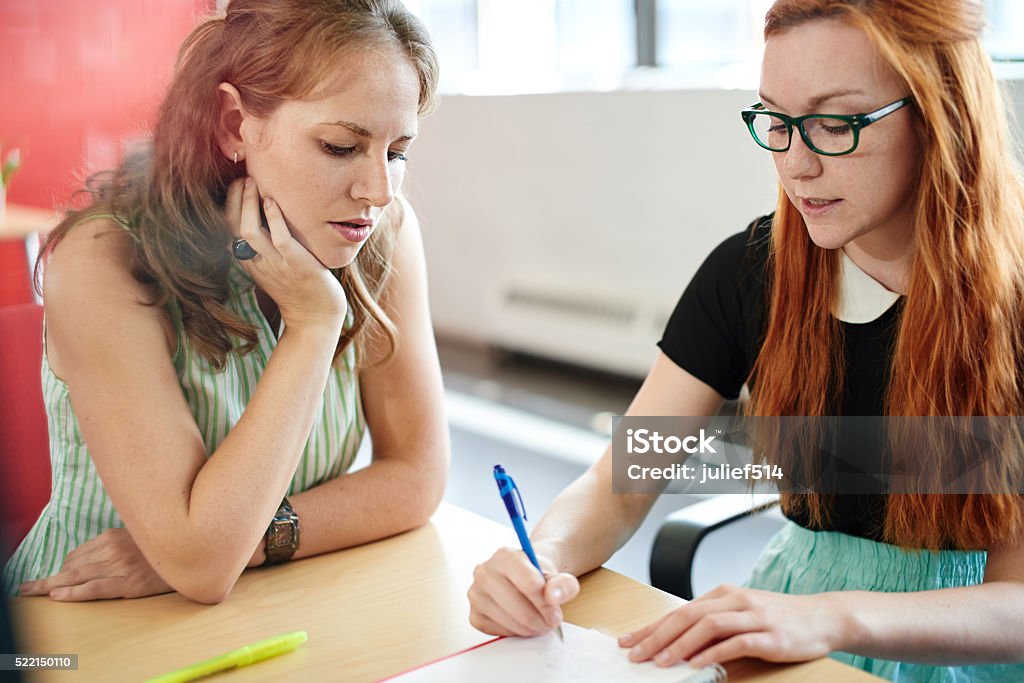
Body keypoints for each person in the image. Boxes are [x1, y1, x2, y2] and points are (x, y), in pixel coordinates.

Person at [467, 0, 1024, 680]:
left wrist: (833, 615)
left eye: (832, 122)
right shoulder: (751, 270)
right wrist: (540, 559)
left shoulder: (1011, 300)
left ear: (940, 113)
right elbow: (620, 481)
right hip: (794, 625)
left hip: (953, 642)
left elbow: (1016, 601)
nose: (796, 164)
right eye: (777, 121)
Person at [3, 0, 449, 604]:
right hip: (82, 624)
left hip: (275, 603)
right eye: (342, 146)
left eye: (397, 152)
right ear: (234, 124)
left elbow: (417, 478)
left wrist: (257, 539)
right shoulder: (103, 260)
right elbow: (203, 567)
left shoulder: (381, 228)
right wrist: (313, 325)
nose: (378, 190)